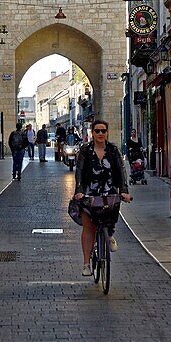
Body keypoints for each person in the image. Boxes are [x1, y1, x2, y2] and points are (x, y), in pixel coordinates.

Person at [73, 118, 130, 277]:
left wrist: (124, 190)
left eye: (103, 131)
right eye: (97, 131)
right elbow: (79, 171)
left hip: (109, 191)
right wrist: (79, 190)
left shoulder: (113, 150)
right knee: (88, 227)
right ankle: (86, 264)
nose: (100, 133)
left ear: (107, 132)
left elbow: (121, 170)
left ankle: (109, 235)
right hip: (88, 192)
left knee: (109, 217)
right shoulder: (85, 150)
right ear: (92, 133)